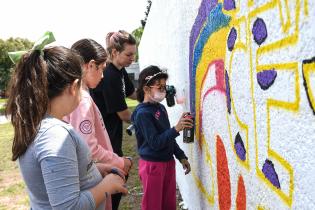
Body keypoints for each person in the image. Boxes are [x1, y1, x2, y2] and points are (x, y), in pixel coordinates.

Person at [5, 43, 127, 209]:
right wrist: (107, 186)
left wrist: (92, 170)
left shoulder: (39, 124)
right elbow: (67, 207)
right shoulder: (55, 136)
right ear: (73, 86)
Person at [63, 39, 132, 210]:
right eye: (101, 69)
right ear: (91, 65)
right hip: (90, 179)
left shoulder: (72, 96)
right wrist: (119, 162)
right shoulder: (82, 99)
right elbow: (89, 147)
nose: (102, 75)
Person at [131, 65, 192, 210]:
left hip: (168, 162)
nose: (163, 91)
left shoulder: (160, 108)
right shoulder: (142, 114)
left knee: (168, 204)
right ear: (146, 89)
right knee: (153, 205)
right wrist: (176, 128)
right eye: (159, 87)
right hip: (153, 166)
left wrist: (181, 156)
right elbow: (155, 142)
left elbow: (167, 136)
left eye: (164, 87)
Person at [90, 30, 137, 210]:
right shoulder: (109, 75)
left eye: (134, 54)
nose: (132, 58)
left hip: (113, 134)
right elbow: (124, 114)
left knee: (116, 181)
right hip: (105, 139)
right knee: (114, 181)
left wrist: (153, 94)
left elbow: (133, 93)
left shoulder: (120, 70)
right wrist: (146, 119)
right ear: (115, 52)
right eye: (129, 54)